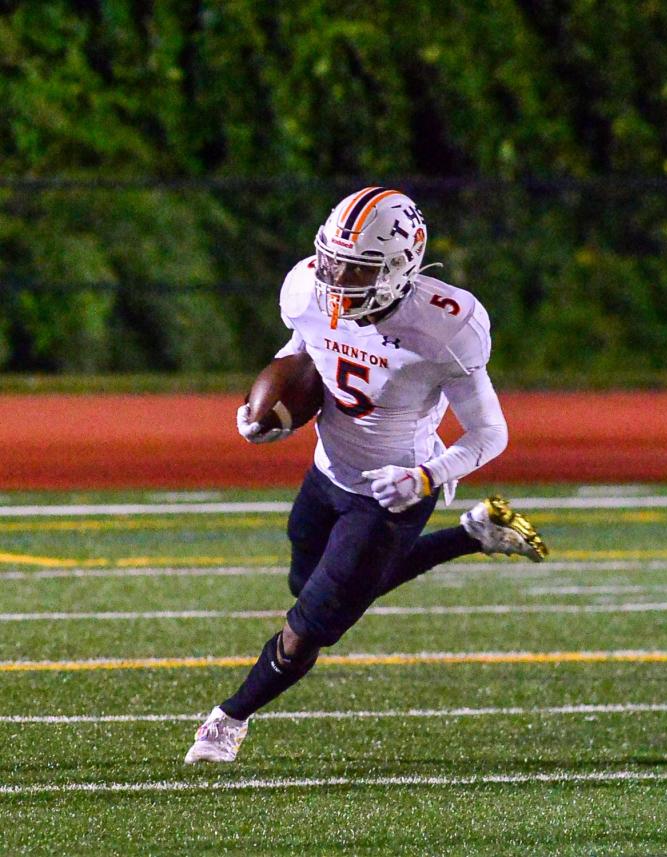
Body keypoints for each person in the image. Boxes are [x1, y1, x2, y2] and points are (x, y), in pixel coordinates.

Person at [185, 187, 547, 764]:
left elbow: (489, 433)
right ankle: (476, 533)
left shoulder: (445, 327)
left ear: (401, 267)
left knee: (312, 626)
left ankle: (229, 718)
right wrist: (269, 413)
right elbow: (302, 349)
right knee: (314, 590)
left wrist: (428, 476)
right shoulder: (308, 286)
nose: (336, 278)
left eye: (355, 269)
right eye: (332, 260)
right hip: (327, 472)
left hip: (390, 494)